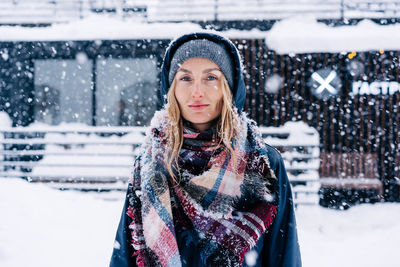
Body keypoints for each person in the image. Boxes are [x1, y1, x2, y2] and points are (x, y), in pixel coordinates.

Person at [110, 32, 301, 267]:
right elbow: (124, 257)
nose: (197, 92)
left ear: (228, 88)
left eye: (211, 78)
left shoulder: (262, 164)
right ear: (171, 89)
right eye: (185, 79)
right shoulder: (149, 164)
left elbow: (283, 256)